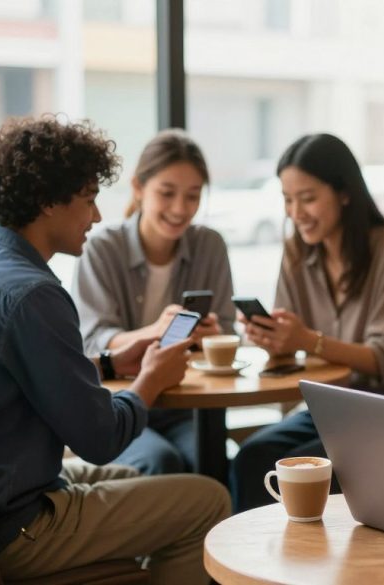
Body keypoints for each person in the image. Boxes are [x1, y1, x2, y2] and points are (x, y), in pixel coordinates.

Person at [0, 115, 230, 584]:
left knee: (144, 481)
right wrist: (148, 382)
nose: (98, 216)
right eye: (88, 200)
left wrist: (105, 363)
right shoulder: (34, 293)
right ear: (47, 202)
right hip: (14, 526)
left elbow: (15, 374)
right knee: (208, 500)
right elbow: (101, 440)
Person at [230, 133, 384, 511]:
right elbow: (292, 343)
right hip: (325, 411)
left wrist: (306, 339)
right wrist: (272, 338)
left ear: (344, 192)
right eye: (287, 200)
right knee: (250, 458)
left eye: (307, 198)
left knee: (284, 468)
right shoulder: (296, 252)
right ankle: (243, 570)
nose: (296, 212)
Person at [74, 128, 235, 474]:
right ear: (138, 187)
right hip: (119, 402)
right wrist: (156, 331)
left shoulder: (210, 246)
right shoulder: (102, 248)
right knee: (160, 461)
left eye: (193, 196)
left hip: (187, 407)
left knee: (211, 458)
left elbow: (228, 327)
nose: (180, 209)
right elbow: (95, 338)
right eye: (167, 193)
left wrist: (214, 335)